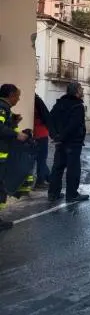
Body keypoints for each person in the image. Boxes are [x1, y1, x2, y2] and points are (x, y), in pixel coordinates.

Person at [48, 82, 89, 203]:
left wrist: (55, 136)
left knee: (57, 168)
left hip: (60, 142)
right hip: (73, 142)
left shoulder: (59, 103)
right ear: (76, 91)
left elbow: (50, 119)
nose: (82, 91)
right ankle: (72, 195)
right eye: (81, 89)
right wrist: (61, 137)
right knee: (73, 169)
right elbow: (74, 125)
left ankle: (53, 194)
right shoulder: (77, 106)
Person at [0, 84, 30, 230]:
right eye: (17, 96)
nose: (18, 99)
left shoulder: (5, 109)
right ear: (11, 95)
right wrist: (16, 134)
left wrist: (13, 123)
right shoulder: (2, 108)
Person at [33, 94, 51, 190]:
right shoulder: (37, 101)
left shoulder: (32, 101)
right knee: (41, 158)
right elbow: (46, 116)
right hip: (41, 133)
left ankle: (48, 178)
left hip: (37, 133)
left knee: (40, 158)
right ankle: (41, 182)